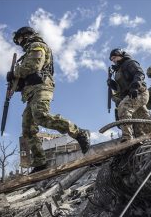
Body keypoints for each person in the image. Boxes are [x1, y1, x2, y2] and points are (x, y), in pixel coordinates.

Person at [8, 26, 90, 173]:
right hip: (31, 92)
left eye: (20, 38)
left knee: (41, 116)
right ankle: (40, 162)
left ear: (26, 35)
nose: (19, 42)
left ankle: (79, 132)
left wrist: (14, 73)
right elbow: (25, 77)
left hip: (42, 87)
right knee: (27, 129)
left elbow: (33, 66)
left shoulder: (37, 45)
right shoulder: (28, 51)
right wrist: (15, 82)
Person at [107, 48, 151, 142]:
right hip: (130, 95)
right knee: (142, 122)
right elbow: (121, 88)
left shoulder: (129, 63)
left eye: (115, 57)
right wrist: (112, 84)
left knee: (123, 108)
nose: (113, 60)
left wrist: (135, 86)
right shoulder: (118, 71)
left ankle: (127, 138)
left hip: (139, 92)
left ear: (121, 55)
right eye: (112, 59)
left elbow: (139, 73)